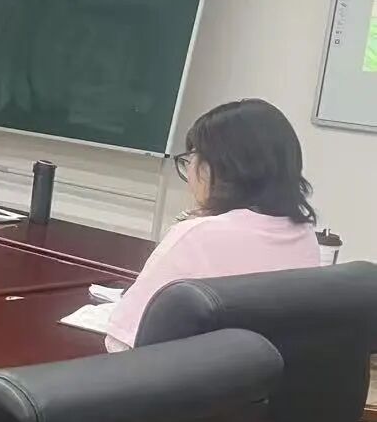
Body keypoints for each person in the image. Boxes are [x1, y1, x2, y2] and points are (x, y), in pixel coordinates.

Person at [106, 99, 321, 350]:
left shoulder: (197, 236)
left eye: (191, 158)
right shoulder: (305, 236)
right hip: (264, 372)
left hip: (188, 373)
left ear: (219, 168)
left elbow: (120, 341)